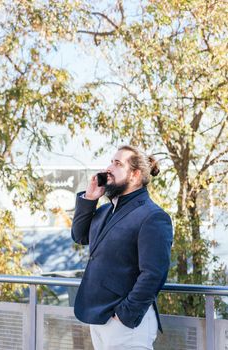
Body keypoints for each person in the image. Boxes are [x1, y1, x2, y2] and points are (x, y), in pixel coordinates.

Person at [71, 145, 173, 350]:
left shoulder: (153, 216)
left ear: (135, 176)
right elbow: (80, 236)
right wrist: (90, 198)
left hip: (126, 324)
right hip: (100, 317)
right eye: (111, 161)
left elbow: (153, 274)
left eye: (117, 164)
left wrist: (125, 314)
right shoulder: (105, 210)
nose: (109, 167)